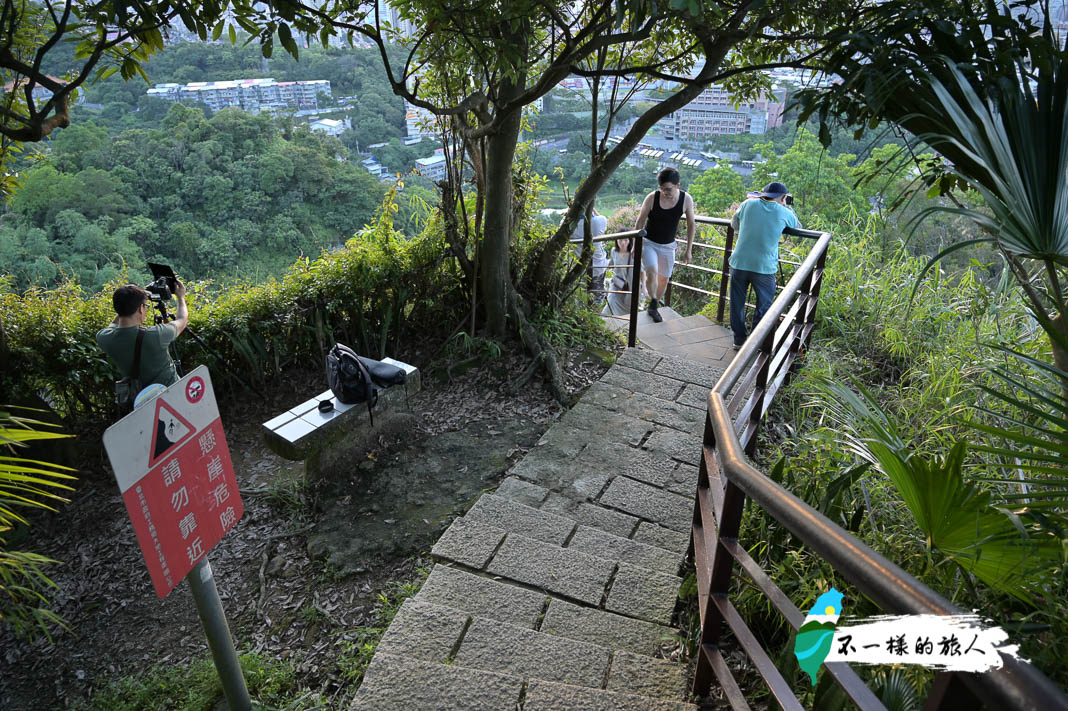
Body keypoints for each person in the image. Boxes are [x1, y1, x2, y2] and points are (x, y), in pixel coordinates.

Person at [728, 181, 799, 348]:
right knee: (764, 306)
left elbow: (734, 224)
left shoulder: (748, 204)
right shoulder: (783, 211)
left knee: (737, 303)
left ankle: (739, 340)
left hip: (740, 262)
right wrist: (787, 206)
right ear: (783, 197)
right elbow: (797, 226)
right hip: (764, 267)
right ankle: (754, 343)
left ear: (763, 194)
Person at [96, 281, 189, 388]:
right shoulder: (155, 335)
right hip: (170, 396)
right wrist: (180, 297)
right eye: (145, 306)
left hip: (140, 400)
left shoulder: (104, 338)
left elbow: (114, 324)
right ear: (140, 308)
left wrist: (126, 303)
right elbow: (182, 320)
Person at [633, 166, 696, 323]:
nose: (665, 193)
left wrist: (688, 250)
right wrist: (635, 245)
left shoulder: (686, 199)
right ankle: (653, 302)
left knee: (664, 279)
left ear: (678, 186)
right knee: (652, 271)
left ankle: (653, 306)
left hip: (668, 245)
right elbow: (640, 221)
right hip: (649, 242)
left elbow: (691, 224)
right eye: (662, 189)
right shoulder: (652, 198)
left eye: (668, 189)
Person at [569, 206, 609, 303]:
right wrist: (593, 208)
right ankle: (597, 312)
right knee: (597, 295)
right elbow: (603, 222)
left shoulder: (570, 225)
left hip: (579, 268)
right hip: (598, 266)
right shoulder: (598, 221)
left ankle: (584, 314)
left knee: (581, 296)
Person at [602, 235, 636, 316]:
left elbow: (642, 270)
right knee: (611, 301)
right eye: (620, 240)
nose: (623, 243)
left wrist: (644, 287)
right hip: (617, 283)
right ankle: (606, 321)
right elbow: (611, 263)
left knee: (625, 309)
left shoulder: (632, 254)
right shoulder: (614, 251)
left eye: (625, 240)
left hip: (629, 286)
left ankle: (621, 323)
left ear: (629, 240)